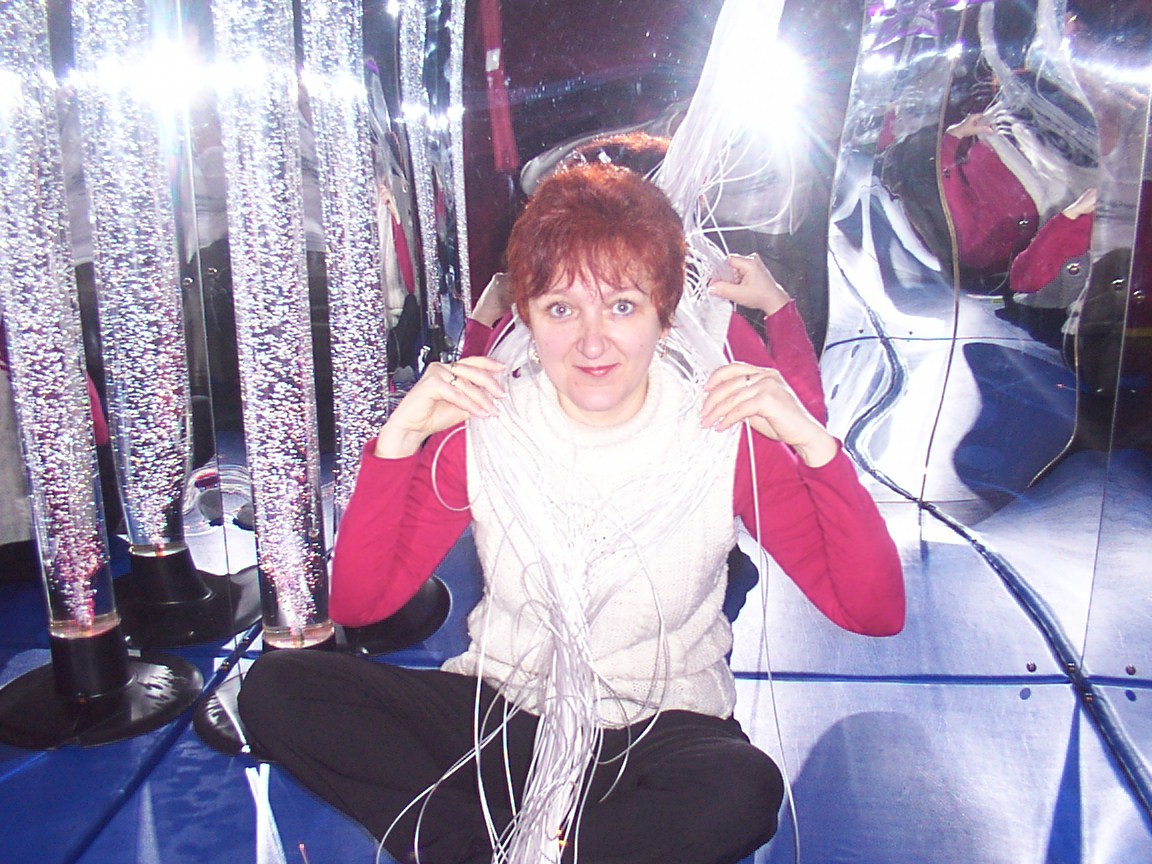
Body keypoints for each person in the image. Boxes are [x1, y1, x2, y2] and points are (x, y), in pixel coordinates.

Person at [238, 164, 905, 864]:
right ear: (527, 317)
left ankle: (495, 847)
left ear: (665, 315)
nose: (592, 343)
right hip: (502, 715)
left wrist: (814, 445)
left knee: (740, 788)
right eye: (561, 309)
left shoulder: (720, 434)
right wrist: (399, 441)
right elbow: (361, 604)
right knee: (281, 688)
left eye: (622, 307)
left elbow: (874, 611)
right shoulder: (490, 431)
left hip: (654, 732)